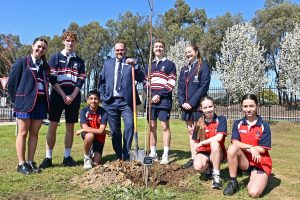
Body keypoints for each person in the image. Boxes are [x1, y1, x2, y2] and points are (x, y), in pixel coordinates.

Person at [40, 31, 86, 168]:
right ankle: (48, 157)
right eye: (68, 40)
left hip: (74, 96)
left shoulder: (80, 61)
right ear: (63, 41)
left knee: (70, 127)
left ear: (75, 42)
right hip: (57, 95)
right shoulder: (55, 58)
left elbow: (80, 81)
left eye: (73, 41)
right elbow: (52, 79)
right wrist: (63, 95)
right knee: (53, 125)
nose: (70, 43)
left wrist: (72, 96)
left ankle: (67, 156)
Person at [7, 37, 50, 174]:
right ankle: (21, 163)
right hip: (24, 103)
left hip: (41, 102)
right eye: (38, 46)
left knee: (35, 133)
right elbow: (12, 83)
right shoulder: (22, 62)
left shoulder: (45, 66)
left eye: (43, 48)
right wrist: (17, 100)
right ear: (32, 46)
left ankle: (30, 161)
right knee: (23, 132)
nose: (40, 49)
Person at [98, 42, 144, 161]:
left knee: (129, 125)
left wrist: (136, 66)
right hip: (110, 101)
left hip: (126, 101)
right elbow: (101, 81)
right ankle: (119, 155)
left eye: (122, 50)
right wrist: (103, 97)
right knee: (114, 130)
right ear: (114, 51)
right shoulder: (107, 63)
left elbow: (141, 77)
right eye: (117, 50)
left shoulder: (131, 63)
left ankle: (126, 153)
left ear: (125, 50)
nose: (120, 52)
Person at [223, 94, 272, 197]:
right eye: (245, 106)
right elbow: (235, 142)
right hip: (245, 163)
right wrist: (251, 147)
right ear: (241, 107)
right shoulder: (238, 123)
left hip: (260, 163)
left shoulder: (264, 126)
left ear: (257, 106)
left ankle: (260, 177)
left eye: (251, 106)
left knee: (253, 192)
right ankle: (233, 182)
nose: (248, 109)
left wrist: (253, 149)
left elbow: (262, 149)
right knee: (232, 148)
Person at [178, 44, 211, 169]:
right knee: (190, 132)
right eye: (186, 52)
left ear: (196, 52)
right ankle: (193, 158)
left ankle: (202, 159)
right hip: (185, 107)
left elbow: (204, 86)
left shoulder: (203, 66)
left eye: (190, 52)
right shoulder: (184, 69)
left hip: (197, 106)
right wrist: (182, 102)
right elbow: (180, 88)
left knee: (199, 132)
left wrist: (191, 103)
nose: (188, 54)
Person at [144, 40, 176, 164]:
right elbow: (145, 82)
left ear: (164, 49)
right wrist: (151, 95)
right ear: (153, 49)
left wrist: (159, 95)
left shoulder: (170, 64)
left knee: (164, 126)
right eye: (156, 47)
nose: (158, 48)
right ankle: (153, 152)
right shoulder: (148, 66)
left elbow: (171, 82)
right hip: (151, 100)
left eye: (161, 47)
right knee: (152, 126)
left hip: (164, 100)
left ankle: (166, 154)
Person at [193, 96, 227, 189]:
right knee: (198, 166)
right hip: (204, 152)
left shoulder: (221, 119)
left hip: (217, 152)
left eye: (210, 107)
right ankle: (208, 168)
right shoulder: (199, 123)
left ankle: (216, 177)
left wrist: (203, 143)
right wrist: (194, 157)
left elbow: (219, 137)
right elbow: (195, 142)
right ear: (201, 109)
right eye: (205, 108)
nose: (208, 110)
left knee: (215, 143)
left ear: (214, 106)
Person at [75, 90, 108, 170]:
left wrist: (82, 130)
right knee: (90, 135)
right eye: (91, 98)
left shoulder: (104, 112)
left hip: (100, 137)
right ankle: (86, 157)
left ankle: (92, 153)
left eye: (96, 98)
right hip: (89, 135)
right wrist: (103, 131)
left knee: (96, 164)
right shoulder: (83, 111)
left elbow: (100, 131)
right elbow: (93, 129)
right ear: (88, 100)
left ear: (99, 100)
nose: (93, 101)